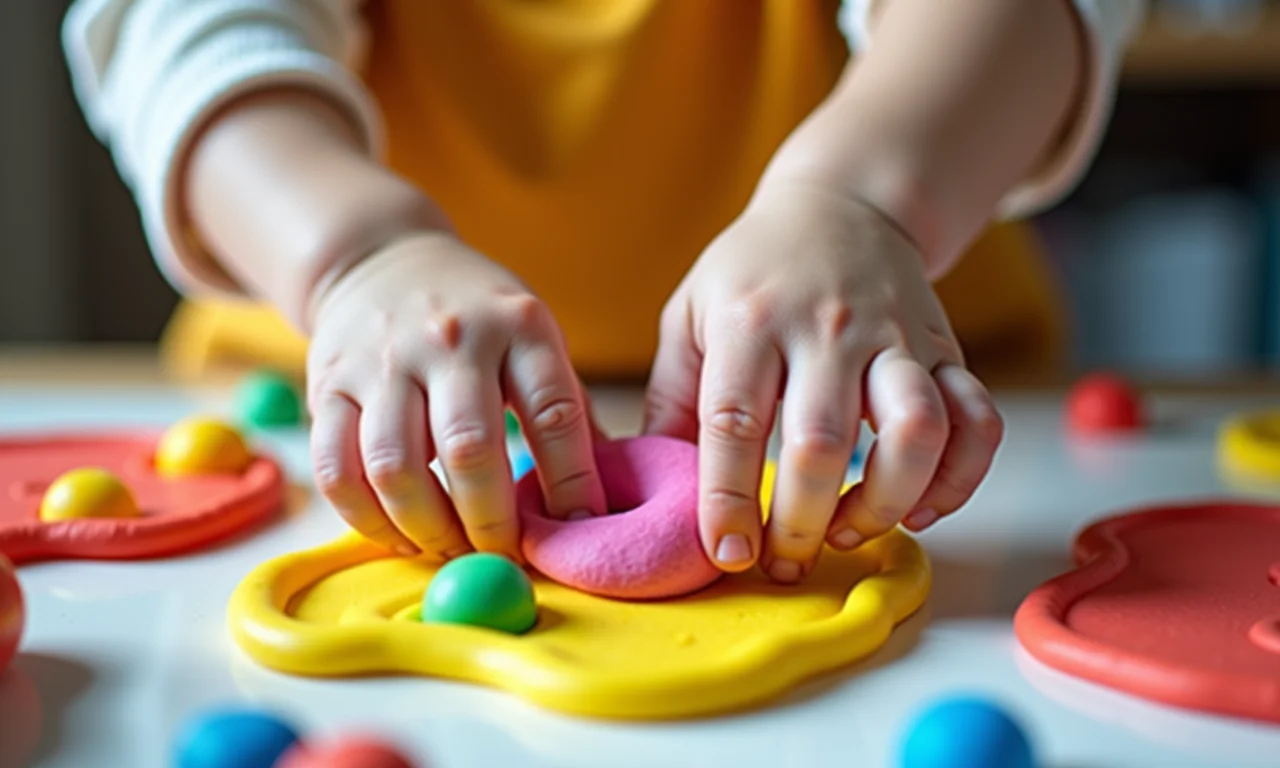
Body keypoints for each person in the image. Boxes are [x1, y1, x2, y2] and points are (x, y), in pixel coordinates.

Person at [64, 0, 1145, 584]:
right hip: (335, 432)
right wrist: (354, 257)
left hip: (878, 425)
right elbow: (184, 30)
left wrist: (859, 202)